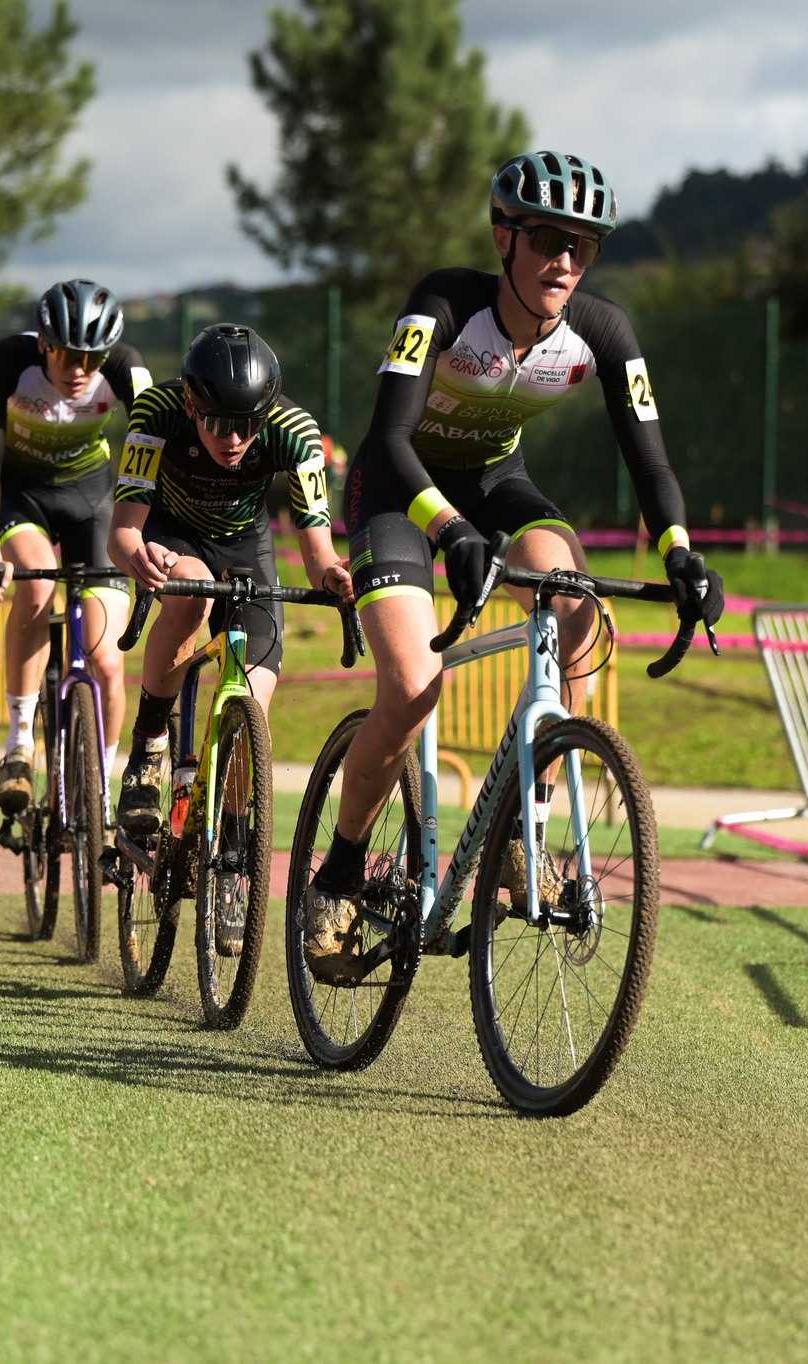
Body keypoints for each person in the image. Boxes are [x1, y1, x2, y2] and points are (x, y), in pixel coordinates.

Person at [301, 150, 726, 983]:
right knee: (415, 686)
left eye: (583, 246)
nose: (564, 260)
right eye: (545, 240)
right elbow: (389, 437)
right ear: (506, 239)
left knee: (577, 614)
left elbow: (652, 466)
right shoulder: (446, 303)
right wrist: (450, 528)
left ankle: (519, 837)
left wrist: (681, 552)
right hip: (400, 489)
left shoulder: (604, 334)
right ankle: (342, 871)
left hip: (498, 481)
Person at [110, 324, 350, 837]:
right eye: (219, 423)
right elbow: (124, 530)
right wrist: (139, 556)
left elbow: (317, 549)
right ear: (193, 407)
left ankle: (228, 837)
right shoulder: (158, 412)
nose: (235, 439)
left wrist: (332, 574)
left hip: (246, 543)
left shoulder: (295, 431)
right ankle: (149, 746)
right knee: (191, 593)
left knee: (253, 710)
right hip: (172, 535)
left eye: (248, 425)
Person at [0, 280, 150, 815]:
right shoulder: (3, 363)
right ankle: (20, 744)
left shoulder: (126, 369)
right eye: (67, 354)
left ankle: (104, 795)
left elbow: (158, 445)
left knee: (108, 663)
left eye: (91, 359)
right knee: (38, 582)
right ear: (44, 343)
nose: (78, 370)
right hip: (24, 501)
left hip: (93, 500)